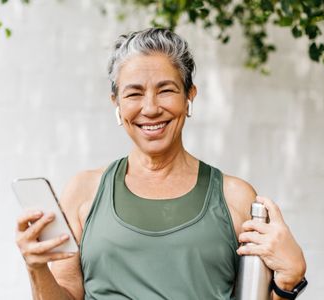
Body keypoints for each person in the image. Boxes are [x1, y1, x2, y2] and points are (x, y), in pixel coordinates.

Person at [15, 28, 307, 300]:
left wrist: (289, 279)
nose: (151, 108)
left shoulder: (235, 197)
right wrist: (36, 268)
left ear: (189, 96)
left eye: (166, 90)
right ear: (116, 103)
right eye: (134, 93)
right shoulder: (84, 192)